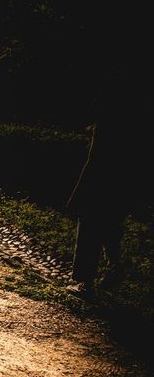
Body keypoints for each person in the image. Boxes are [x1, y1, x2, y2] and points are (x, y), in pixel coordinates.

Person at [66, 122, 128, 299]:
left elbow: (93, 162)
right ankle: (114, 265)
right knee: (110, 227)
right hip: (120, 190)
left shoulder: (105, 127)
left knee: (88, 233)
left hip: (98, 189)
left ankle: (86, 283)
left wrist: (77, 195)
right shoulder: (132, 127)